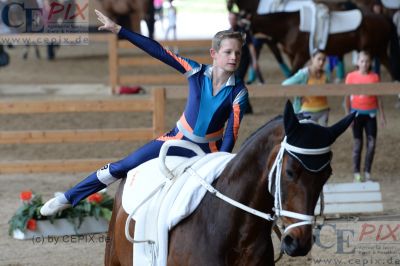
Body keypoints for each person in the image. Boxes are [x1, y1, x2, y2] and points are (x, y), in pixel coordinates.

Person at [40, 9, 249, 215]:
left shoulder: (239, 91)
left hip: (209, 151)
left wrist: (222, 160)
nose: (234, 57)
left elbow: (231, 132)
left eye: (238, 53)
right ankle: (68, 198)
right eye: (228, 52)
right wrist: (120, 30)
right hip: (176, 139)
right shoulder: (196, 72)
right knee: (123, 165)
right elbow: (158, 51)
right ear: (214, 53)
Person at [344, 50, 386, 182]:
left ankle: (367, 172)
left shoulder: (375, 77)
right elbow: (346, 98)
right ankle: (356, 172)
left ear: (370, 63)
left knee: (372, 144)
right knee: (358, 144)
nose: (364, 64)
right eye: (362, 61)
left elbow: (379, 98)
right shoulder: (351, 77)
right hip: (356, 114)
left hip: (371, 115)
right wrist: (347, 116)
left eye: (367, 61)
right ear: (357, 62)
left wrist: (382, 115)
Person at [282, 49, 330, 126]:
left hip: (324, 109)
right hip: (307, 111)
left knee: (322, 136)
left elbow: (330, 88)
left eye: (324, 60)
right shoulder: (304, 74)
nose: (321, 62)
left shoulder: (326, 74)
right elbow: (286, 84)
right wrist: (299, 94)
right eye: (319, 59)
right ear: (312, 58)